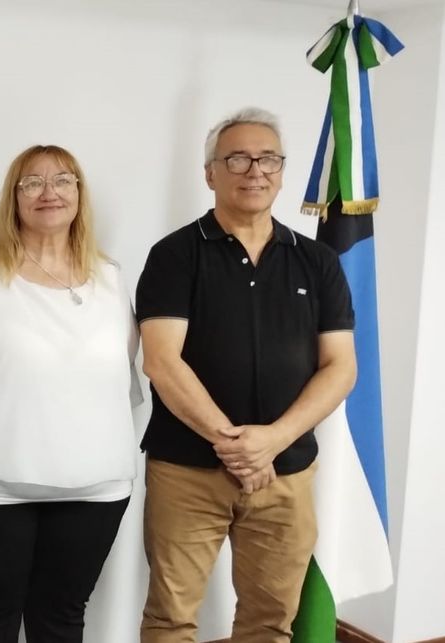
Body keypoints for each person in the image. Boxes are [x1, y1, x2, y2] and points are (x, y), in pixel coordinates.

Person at [136, 107, 357, 642]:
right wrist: (235, 445)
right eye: (237, 158)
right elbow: (162, 361)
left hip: (286, 475)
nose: (254, 170)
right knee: (172, 619)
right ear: (210, 173)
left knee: (269, 622)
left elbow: (340, 367)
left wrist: (272, 443)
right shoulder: (174, 255)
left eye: (268, 159)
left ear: (281, 172)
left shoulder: (318, 261)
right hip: (188, 472)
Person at [0, 145, 141, 643]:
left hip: (95, 493)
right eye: (32, 183)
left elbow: (122, 381)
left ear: (79, 194)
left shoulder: (111, 279)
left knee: (62, 619)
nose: (49, 192)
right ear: (13, 198)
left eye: (63, 180)